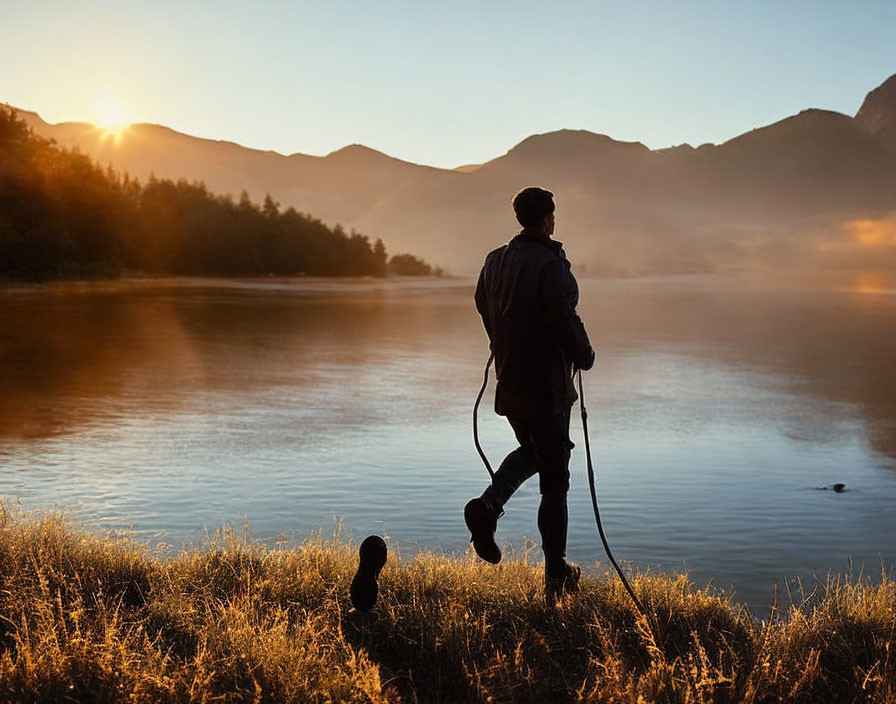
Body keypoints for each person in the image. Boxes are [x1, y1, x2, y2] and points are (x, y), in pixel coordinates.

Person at [466, 186, 595, 604]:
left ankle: (487, 508)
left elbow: (483, 306)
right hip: (547, 388)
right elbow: (563, 316)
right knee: (555, 483)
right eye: (553, 215)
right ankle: (556, 578)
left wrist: (502, 346)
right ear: (547, 219)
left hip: (511, 383)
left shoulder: (494, 261)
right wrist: (585, 355)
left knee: (538, 453)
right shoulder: (550, 263)